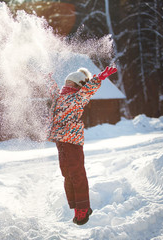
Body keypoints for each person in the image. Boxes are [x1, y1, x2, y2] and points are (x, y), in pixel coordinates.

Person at [47, 66, 117, 225]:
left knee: (77, 174)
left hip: (72, 142)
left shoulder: (79, 97)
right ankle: (76, 205)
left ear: (77, 85)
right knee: (67, 174)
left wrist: (100, 77)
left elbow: (89, 88)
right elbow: (51, 89)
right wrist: (47, 77)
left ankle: (83, 208)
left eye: (71, 82)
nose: (67, 84)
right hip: (61, 141)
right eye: (67, 82)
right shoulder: (59, 97)